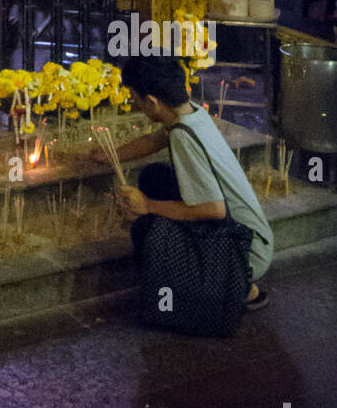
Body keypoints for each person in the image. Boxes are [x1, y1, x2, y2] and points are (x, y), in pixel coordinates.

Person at [96, 56, 272, 311]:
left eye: (136, 99)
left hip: (245, 252)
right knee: (155, 176)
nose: (136, 105)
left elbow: (215, 209)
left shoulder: (182, 136)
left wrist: (147, 205)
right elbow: (155, 140)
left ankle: (233, 287)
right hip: (256, 236)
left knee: (146, 228)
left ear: (153, 101)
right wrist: (106, 155)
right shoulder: (192, 112)